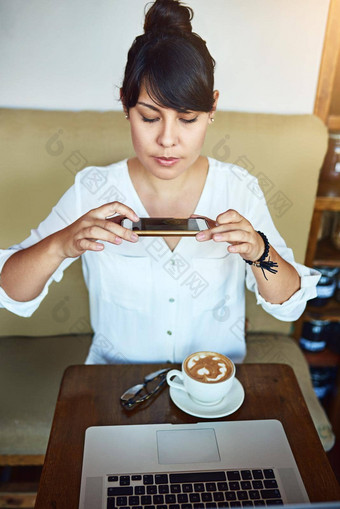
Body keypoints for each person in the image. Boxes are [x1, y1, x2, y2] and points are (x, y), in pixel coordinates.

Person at [0, 0, 319, 365]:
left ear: (212, 109)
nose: (168, 140)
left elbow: (288, 306)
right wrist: (61, 244)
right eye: (150, 117)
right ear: (125, 104)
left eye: (187, 119)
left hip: (212, 387)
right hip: (115, 385)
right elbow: (10, 291)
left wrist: (260, 252)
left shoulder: (237, 188)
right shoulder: (93, 189)